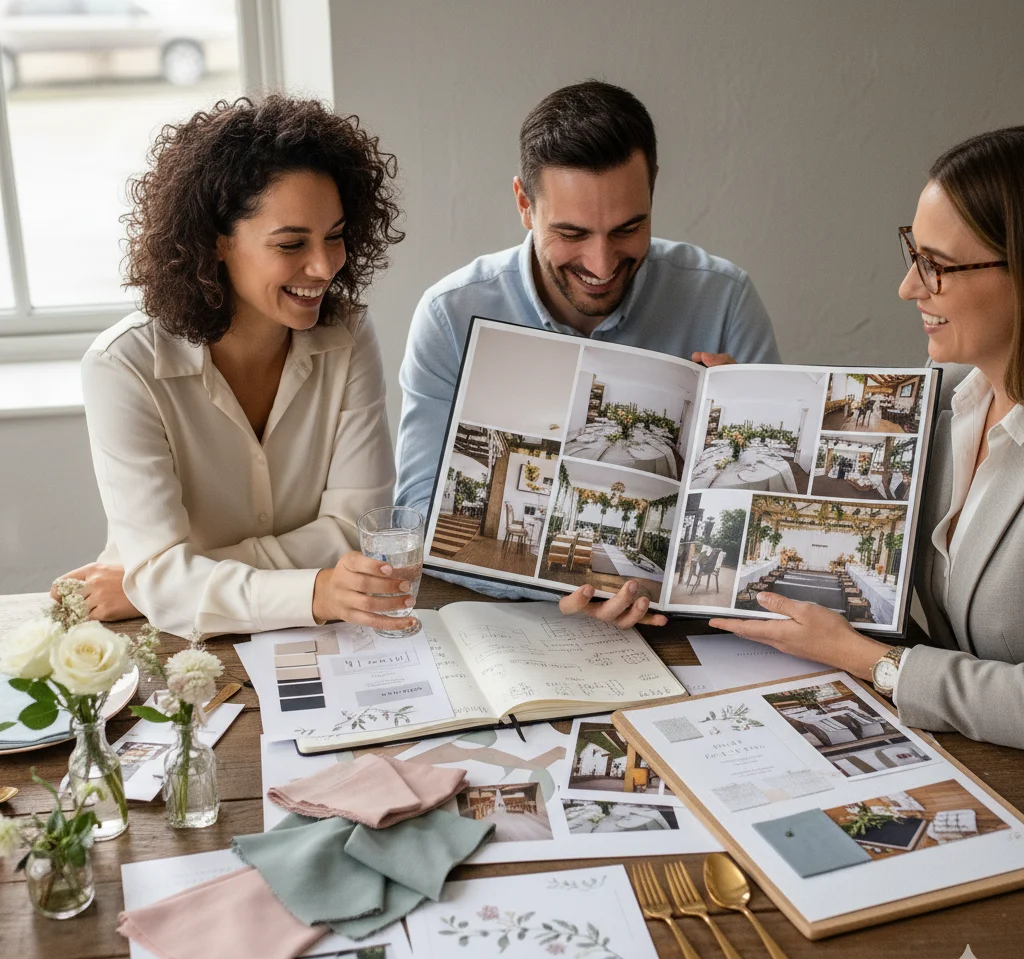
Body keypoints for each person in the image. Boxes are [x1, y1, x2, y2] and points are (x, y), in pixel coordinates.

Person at [396, 80, 779, 629]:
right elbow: (417, 516)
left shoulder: (725, 300)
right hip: (513, 623)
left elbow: (763, 525)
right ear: (524, 204)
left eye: (628, 228)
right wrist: (555, 585)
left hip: (684, 630)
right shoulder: (449, 315)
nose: (601, 265)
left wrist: (758, 410)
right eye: (572, 233)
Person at [54, 96, 415, 639]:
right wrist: (312, 590)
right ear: (217, 242)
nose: (324, 266)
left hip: (306, 635)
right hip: (173, 647)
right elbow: (164, 579)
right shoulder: (123, 368)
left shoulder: (348, 335)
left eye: (335, 235)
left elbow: (353, 531)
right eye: (291, 243)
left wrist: (164, 583)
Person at [713, 125, 1024, 749]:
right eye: (914, 253)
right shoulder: (946, 393)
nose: (909, 287)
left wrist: (872, 661)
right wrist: (747, 399)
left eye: (936, 266)